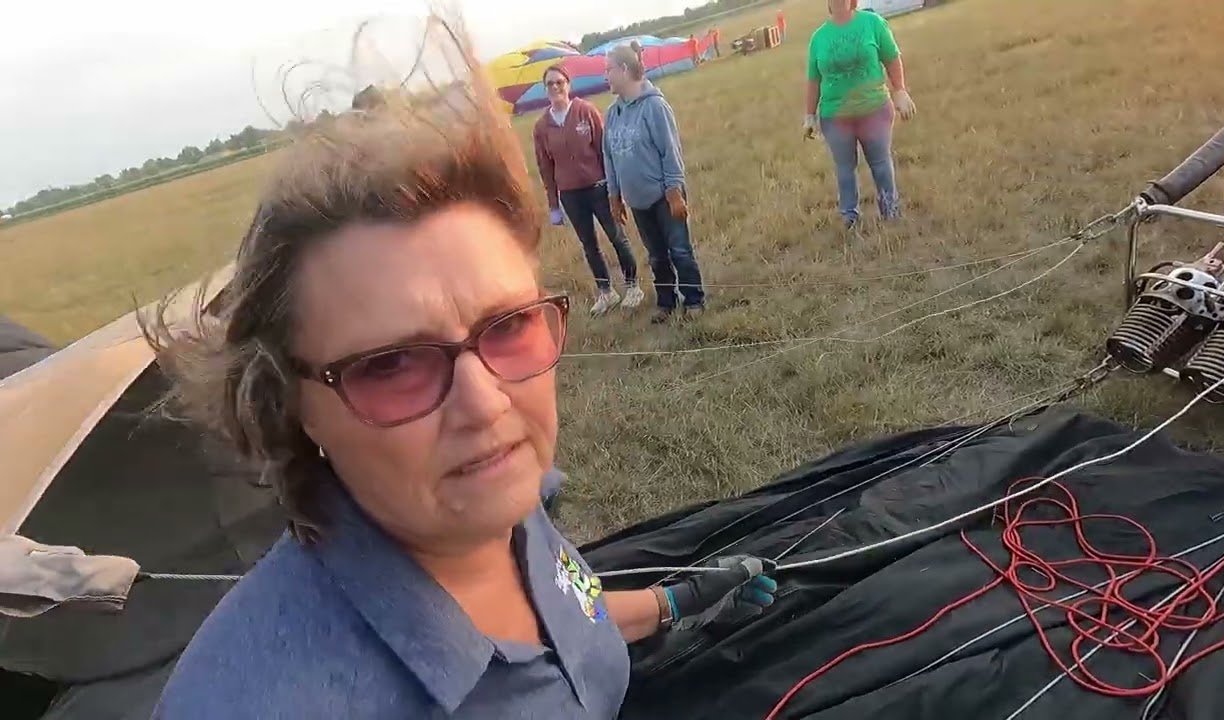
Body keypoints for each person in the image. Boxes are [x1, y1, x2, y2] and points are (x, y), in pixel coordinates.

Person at [144, 16, 775, 720]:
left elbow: (561, 625)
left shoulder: (500, 507)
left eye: (508, 326)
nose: (486, 404)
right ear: (288, 405)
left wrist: (670, 603)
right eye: (391, 365)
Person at [602, 40, 708, 324]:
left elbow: (670, 151)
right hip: (637, 201)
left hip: (664, 196)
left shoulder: (655, 107)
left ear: (624, 70)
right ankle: (666, 302)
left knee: (680, 251)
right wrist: (614, 196)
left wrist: (674, 193)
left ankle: (694, 300)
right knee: (657, 256)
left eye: (608, 70)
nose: (605, 76)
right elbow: (608, 158)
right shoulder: (612, 114)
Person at [533, 65, 643, 318]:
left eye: (559, 82)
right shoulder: (542, 127)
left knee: (617, 237)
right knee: (589, 245)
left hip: (598, 188)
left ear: (568, 85)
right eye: (550, 84)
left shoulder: (586, 112)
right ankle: (606, 292)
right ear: (545, 89)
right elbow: (545, 167)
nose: (555, 88)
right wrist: (553, 206)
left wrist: (614, 188)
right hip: (570, 195)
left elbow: (606, 152)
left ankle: (633, 287)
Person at [803, 0, 917, 230]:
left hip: (874, 109)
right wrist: (809, 115)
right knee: (844, 169)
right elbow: (813, 80)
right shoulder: (819, 38)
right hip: (835, 116)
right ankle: (850, 218)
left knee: (881, 163)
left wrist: (900, 90)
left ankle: (890, 213)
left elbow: (892, 58)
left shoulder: (872, 23)